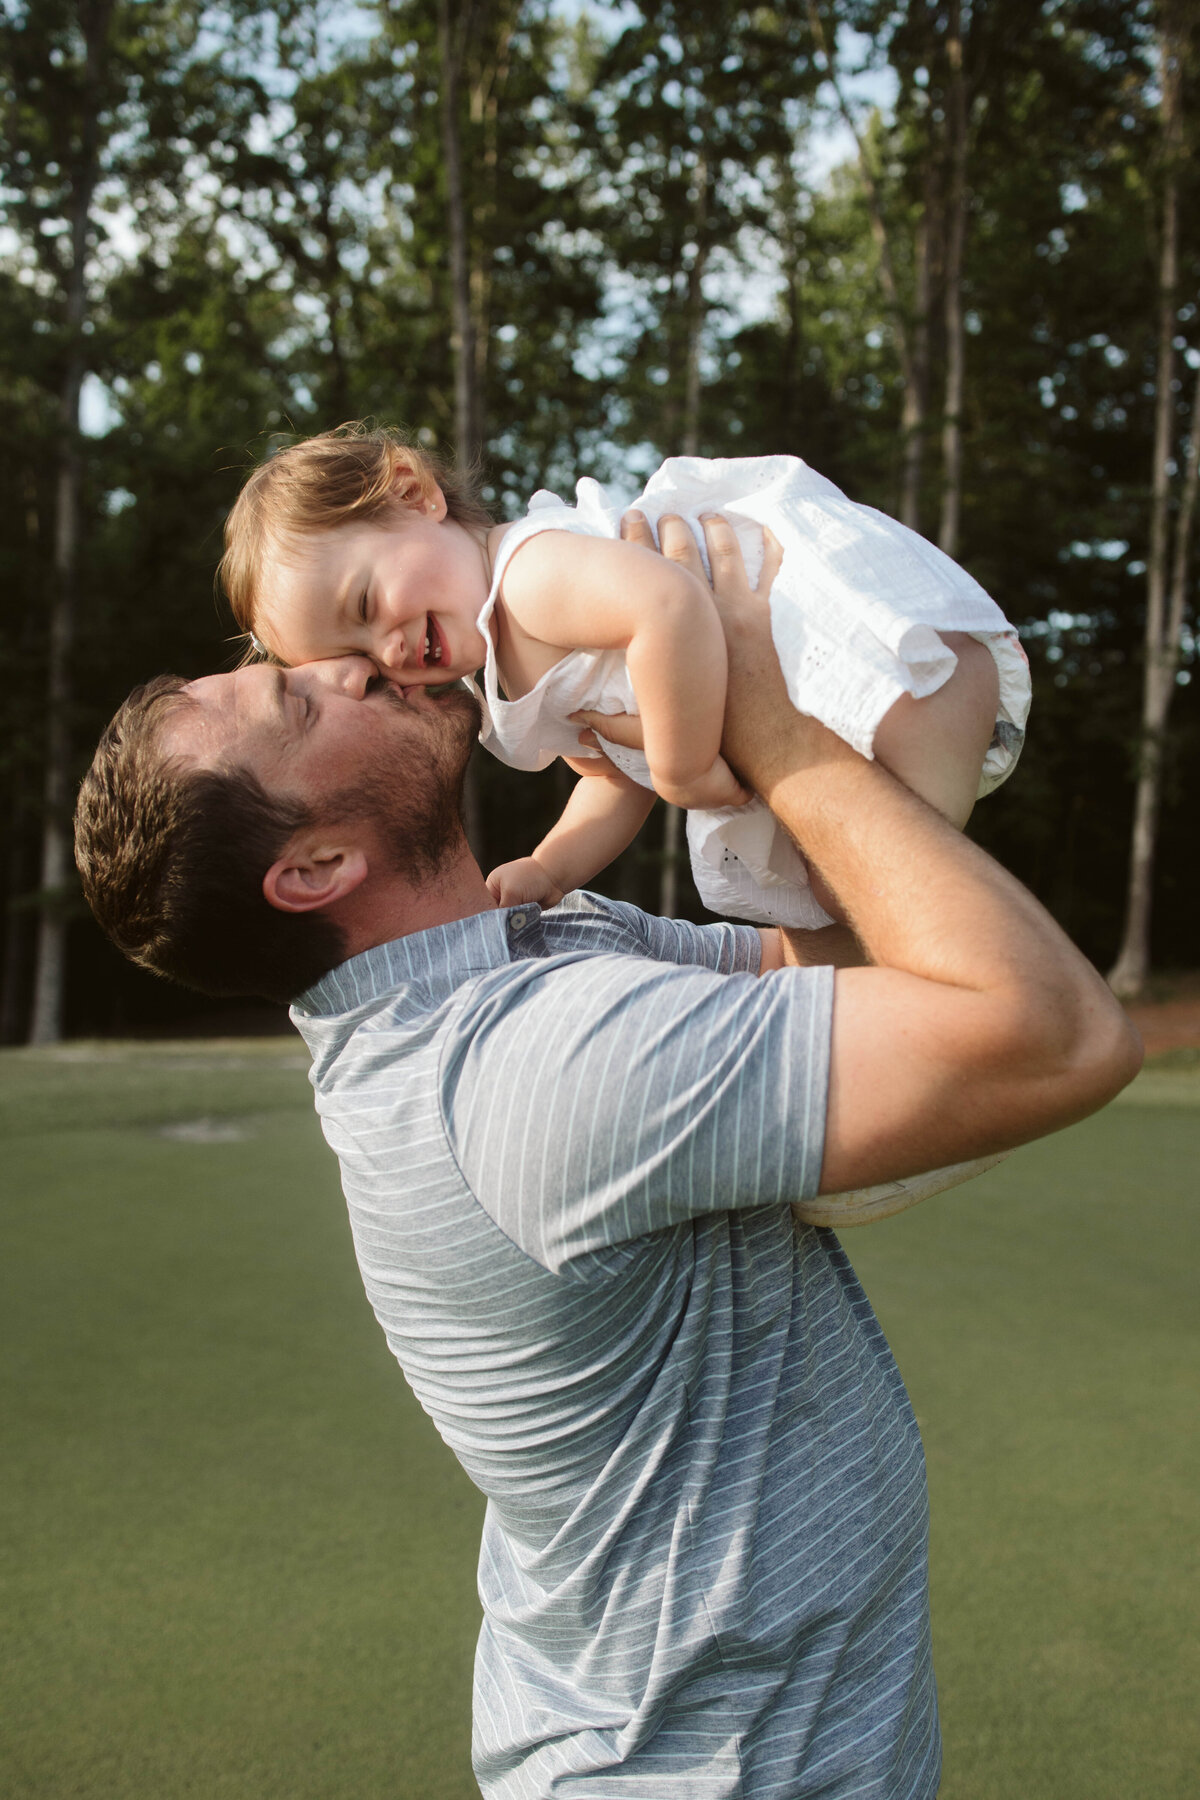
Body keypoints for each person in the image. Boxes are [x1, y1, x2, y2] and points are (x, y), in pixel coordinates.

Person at [74, 514, 1139, 1799]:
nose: (347, 664)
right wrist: (761, 705)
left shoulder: (540, 947)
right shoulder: (528, 1072)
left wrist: (790, 696)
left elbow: (835, 970)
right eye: (301, 701)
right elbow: (1058, 1037)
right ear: (317, 866)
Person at [218, 423, 1029, 929]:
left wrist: (682, 765)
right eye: (356, 658)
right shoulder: (501, 681)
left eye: (367, 600)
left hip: (876, 660)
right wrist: (551, 866)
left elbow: (669, 606)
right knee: (845, 899)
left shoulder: (529, 575)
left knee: (907, 903)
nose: (385, 648)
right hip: (834, 728)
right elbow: (613, 776)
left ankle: (978, 1011)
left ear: (414, 494)